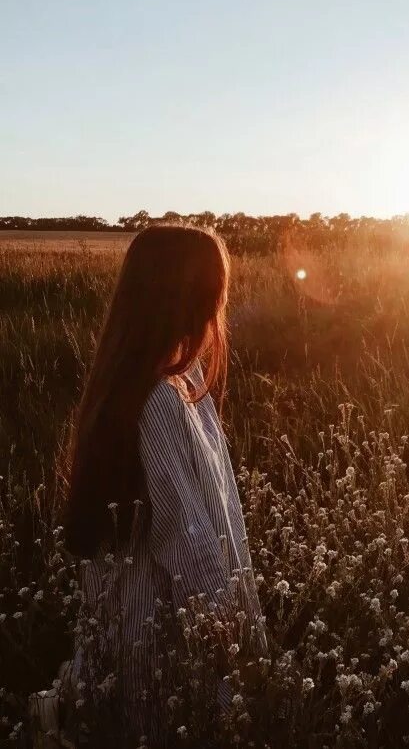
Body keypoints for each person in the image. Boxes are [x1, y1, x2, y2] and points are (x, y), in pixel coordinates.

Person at [64, 225, 266, 739]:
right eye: (213, 298)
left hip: (141, 640)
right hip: (165, 653)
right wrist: (236, 650)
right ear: (192, 301)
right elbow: (188, 541)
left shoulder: (164, 379)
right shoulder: (156, 400)